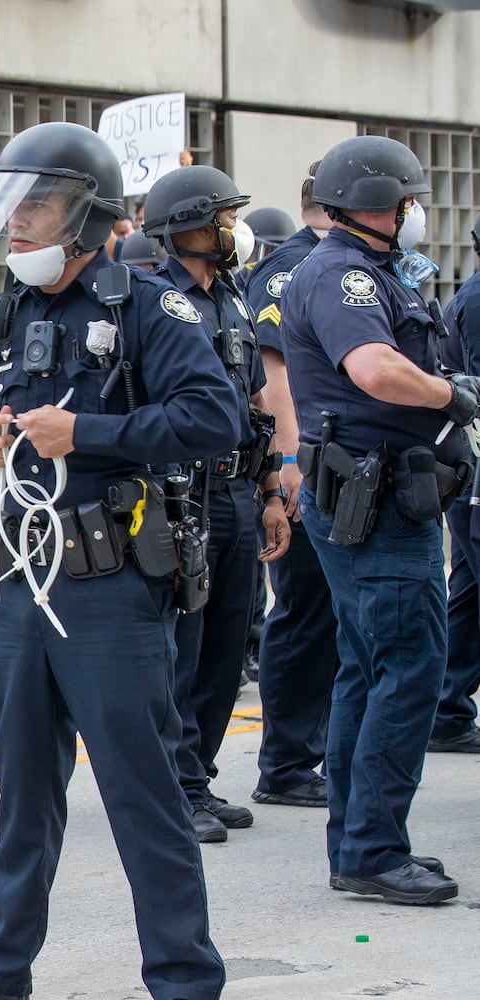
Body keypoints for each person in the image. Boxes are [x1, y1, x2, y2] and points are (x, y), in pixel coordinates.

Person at [0, 121, 238, 1000]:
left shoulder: (146, 307)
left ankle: (183, 978)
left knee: (144, 798)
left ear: (90, 220)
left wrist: (90, 433)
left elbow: (215, 420)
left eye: (40, 205)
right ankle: (2, 969)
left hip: (109, 588)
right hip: (18, 583)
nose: (18, 224)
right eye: (14, 205)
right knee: (24, 795)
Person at [281, 134, 472, 906]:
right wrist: (449, 392)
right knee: (410, 670)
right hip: (380, 505)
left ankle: (358, 843)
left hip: (375, 497)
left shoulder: (368, 270)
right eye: (411, 200)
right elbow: (374, 370)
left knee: (367, 670)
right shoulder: (344, 278)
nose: (419, 212)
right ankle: (372, 850)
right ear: (384, 206)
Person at [142, 166, 291, 845]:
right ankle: (175, 787)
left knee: (229, 645)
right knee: (185, 648)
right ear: (188, 228)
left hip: (235, 490)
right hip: (182, 495)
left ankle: (197, 774)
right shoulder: (153, 301)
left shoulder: (231, 298)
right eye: (222, 219)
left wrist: (269, 493)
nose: (234, 229)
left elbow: (257, 408)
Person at [246, 163, 340, 808]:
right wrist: (289, 464)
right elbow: (276, 380)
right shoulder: (291, 268)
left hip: (349, 467)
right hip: (310, 467)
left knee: (335, 618)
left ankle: (324, 748)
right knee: (306, 613)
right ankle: (285, 762)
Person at [429, 213, 480, 754]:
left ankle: (445, 711)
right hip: (473, 474)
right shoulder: (478, 299)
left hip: (468, 476)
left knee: (467, 595)